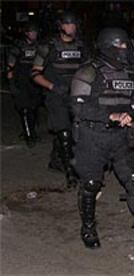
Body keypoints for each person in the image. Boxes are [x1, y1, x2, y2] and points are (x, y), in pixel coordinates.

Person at [71, 27, 134, 250]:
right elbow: (77, 107)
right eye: (119, 46)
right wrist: (110, 115)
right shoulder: (89, 71)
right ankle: (88, 229)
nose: (124, 50)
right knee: (90, 184)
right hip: (93, 136)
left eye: (125, 45)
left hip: (120, 137)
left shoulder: (131, 73)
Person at [32, 11, 90, 189]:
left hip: (76, 95)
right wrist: (51, 87)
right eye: (67, 24)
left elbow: (90, 70)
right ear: (60, 26)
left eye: (73, 25)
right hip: (56, 95)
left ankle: (56, 160)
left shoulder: (81, 46)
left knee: (76, 133)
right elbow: (35, 73)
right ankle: (71, 174)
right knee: (65, 132)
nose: (70, 28)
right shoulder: (47, 47)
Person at [7, 21, 43, 148]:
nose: (34, 34)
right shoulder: (18, 46)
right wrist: (11, 84)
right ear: (26, 33)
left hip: (35, 80)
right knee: (24, 108)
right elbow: (10, 67)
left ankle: (31, 131)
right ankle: (29, 136)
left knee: (34, 107)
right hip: (22, 79)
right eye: (31, 32)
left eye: (35, 32)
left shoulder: (39, 46)